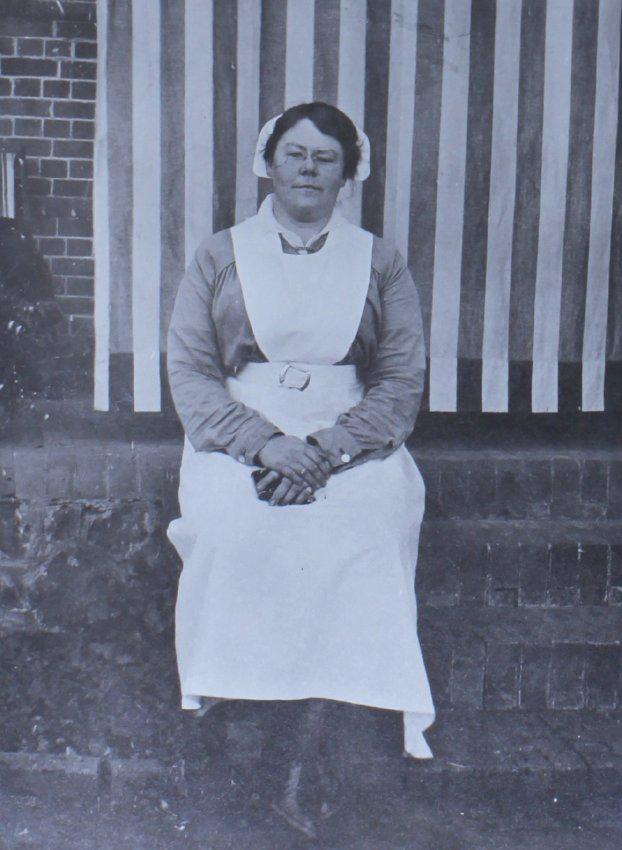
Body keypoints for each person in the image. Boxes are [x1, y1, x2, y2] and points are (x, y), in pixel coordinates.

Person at [166, 101, 435, 837]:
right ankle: (242, 744)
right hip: (239, 438)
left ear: (350, 173)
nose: (309, 168)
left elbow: (400, 380)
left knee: (368, 530)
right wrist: (263, 444)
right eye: (295, 154)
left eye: (326, 157)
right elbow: (190, 373)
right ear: (268, 162)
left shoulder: (380, 261)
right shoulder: (219, 254)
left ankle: (316, 753)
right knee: (234, 531)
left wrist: (325, 451)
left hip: (351, 443)